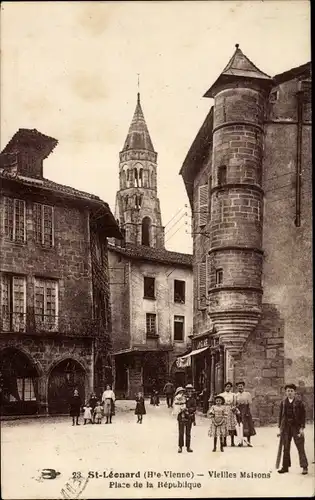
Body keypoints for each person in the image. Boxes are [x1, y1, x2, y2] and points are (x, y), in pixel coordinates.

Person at [277, 384, 308, 475]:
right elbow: (280, 416)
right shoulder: (283, 402)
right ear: (285, 392)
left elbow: (303, 416)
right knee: (286, 448)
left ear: (295, 392)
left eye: (291, 391)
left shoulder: (299, 402)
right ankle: (285, 467)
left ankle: (304, 467)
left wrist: (302, 428)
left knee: (300, 447)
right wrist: (280, 428)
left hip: (296, 427)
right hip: (286, 428)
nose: (289, 393)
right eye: (288, 391)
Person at [235, 381, 256, 447]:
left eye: (241, 386)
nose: (240, 387)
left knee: (247, 425)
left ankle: (249, 441)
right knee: (240, 426)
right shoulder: (236, 395)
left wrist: (247, 412)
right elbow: (235, 404)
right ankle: (240, 441)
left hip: (246, 410)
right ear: (237, 387)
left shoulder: (247, 394)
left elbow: (249, 403)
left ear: (243, 386)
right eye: (239, 386)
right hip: (239, 411)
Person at [173, 387, 191, 453]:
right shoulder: (177, 398)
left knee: (188, 433)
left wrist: (187, 409)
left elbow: (193, 407)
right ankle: (180, 446)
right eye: (180, 392)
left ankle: (188, 446)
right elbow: (175, 405)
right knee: (181, 432)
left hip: (188, 416)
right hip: (180, 415)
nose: (181, 393)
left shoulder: (188, 398)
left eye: (182, 392)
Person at [219, 382, 238, 447]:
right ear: (225, 387)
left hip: (231, 410)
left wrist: (234, 408)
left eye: (229, 386)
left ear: (231, 387)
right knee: (224, 426)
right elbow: (219, 404)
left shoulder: (233, 395)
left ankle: (232, 442)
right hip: (224, 410)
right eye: (227, 386)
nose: (228, 388)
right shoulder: (221, 395)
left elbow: (235, 403)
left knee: (232, 425)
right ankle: (224, 442)